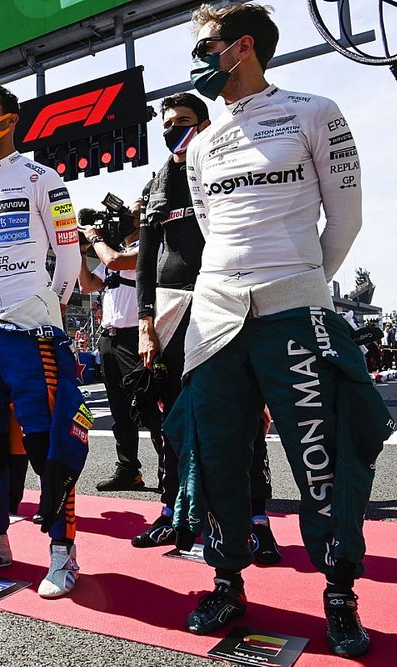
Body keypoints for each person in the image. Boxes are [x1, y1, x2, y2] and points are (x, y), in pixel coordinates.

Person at [168, 4, 391, 657]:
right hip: (216, 314)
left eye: (204, 46)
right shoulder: (201, 144)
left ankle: (340, 593)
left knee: (325, 454)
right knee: (214, 451)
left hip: (295, 306)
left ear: (240, 47)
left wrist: (299, 286)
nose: (195, 59)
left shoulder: (315, 110)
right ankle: (227, 578)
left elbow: (344, 220)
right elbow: (212, 230)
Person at [0, 81, 87, 598]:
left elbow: (69, 256)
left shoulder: (44, 178)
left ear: (10, 119)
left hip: (32, 326)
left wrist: (50, 305)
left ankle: (62, 551)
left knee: (47, 438)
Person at [132, 92, 279, 561]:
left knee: (244, 416)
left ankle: (257, 520)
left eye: (185, 121)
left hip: (226, 303)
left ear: (206, 122)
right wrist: (145, 319)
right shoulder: (156, 181)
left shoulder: (225, 166)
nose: (175, 130)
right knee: (171, 421)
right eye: (168, 124)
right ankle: (173, 511)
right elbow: (145, 262)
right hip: (172, 314)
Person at [77, 205, 162, 495]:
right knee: (120, 412)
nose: (124, 216)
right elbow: (88, 285)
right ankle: (128, 470)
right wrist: (80, 250)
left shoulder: (150, 245)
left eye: (132, 212)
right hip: (110, 339)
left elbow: (115, 262)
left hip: (136, 338)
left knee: (150, 408)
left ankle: (169, 471)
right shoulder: (109, 251)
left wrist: (95, 238)